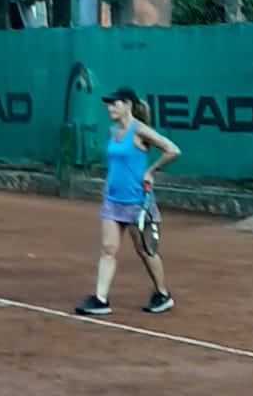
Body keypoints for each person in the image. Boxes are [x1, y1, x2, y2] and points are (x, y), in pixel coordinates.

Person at [75, 87, 180, 317]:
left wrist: (151, 171)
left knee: (145, 251)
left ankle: (162, 294)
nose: (109, 108)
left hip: (136, 202)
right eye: (108, 104)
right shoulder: (112, 131)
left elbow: (172, 150)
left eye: (114, 104)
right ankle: (100, 299)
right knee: (108, 249)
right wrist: (107, 187)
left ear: (128, 105)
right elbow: (116, 165)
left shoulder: (140, 130)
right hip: (113, 201)